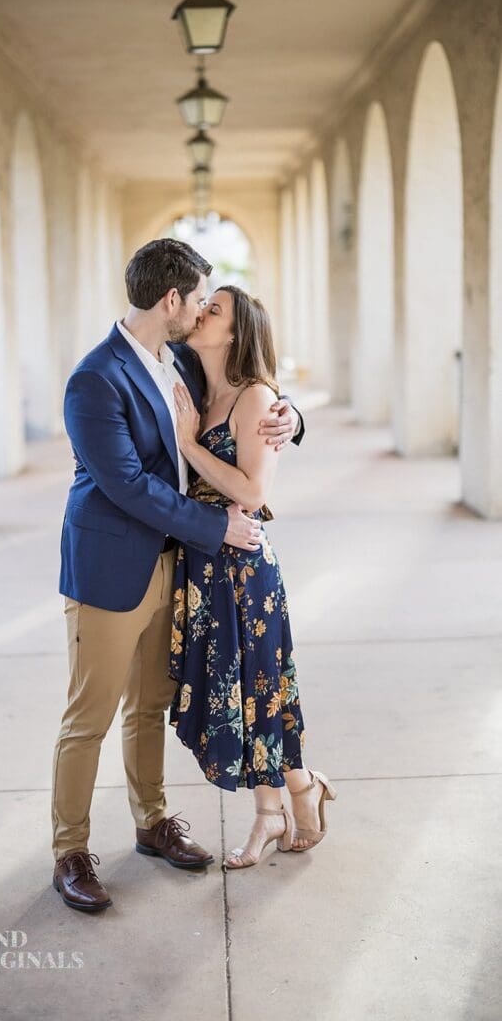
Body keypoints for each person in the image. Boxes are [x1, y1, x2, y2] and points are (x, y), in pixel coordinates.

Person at [51, 239, 305, 913]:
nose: (200, 312)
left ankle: (150, 822)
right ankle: (70, 851)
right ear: (172, 300)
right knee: (89, 717)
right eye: (196, 299)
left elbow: (242, 392)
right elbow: (127, 484)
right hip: (110, 567)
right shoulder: (94, 379)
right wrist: (217, 527)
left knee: (147, 708)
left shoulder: (181, 364)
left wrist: (289, 414)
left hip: (173, 568)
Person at [169, 285, 337, 867]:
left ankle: (277, 809)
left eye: (213, 310)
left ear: (236, 333)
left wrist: (190, 444)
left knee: (260, 692)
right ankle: (295, 792)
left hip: (243, 571)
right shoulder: (190, 376)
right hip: (200, 564)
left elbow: (252, 490)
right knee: (246, 694)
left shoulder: (255, 397)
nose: (199, 313)